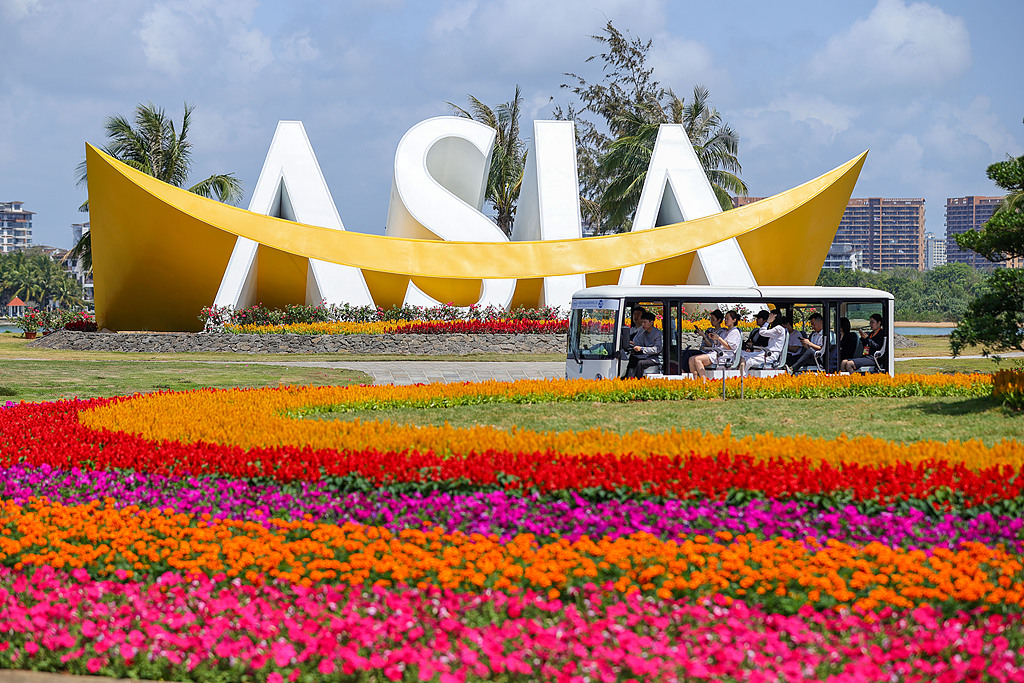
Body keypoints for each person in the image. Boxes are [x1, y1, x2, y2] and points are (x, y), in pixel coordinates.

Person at [689, 310, 742, 379]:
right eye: (725, 319)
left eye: (727, 319)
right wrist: (714, 339)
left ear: (734, 320)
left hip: (724, 355)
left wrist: (719, 338)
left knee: (697, 359)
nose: (725, 320)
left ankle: (703, 381)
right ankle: (695, 380)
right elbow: (717, 344)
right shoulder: (725, 332)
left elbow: (730, 347)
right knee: (691, 359)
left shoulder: (734, 332)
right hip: (717, 352)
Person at [622, 311, 663, 378]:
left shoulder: (658, 334)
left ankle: (638, 380)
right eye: (642, 322)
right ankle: (627, 378)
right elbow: (638, 341)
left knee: (640, 363)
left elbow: (657, 349)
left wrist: (642, 349)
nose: (643, 325)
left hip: (655, 359)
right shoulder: (643, 332)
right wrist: (633, 344)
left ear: (651, 322)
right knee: (632, 359)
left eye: (645, 322)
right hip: (645, 356)